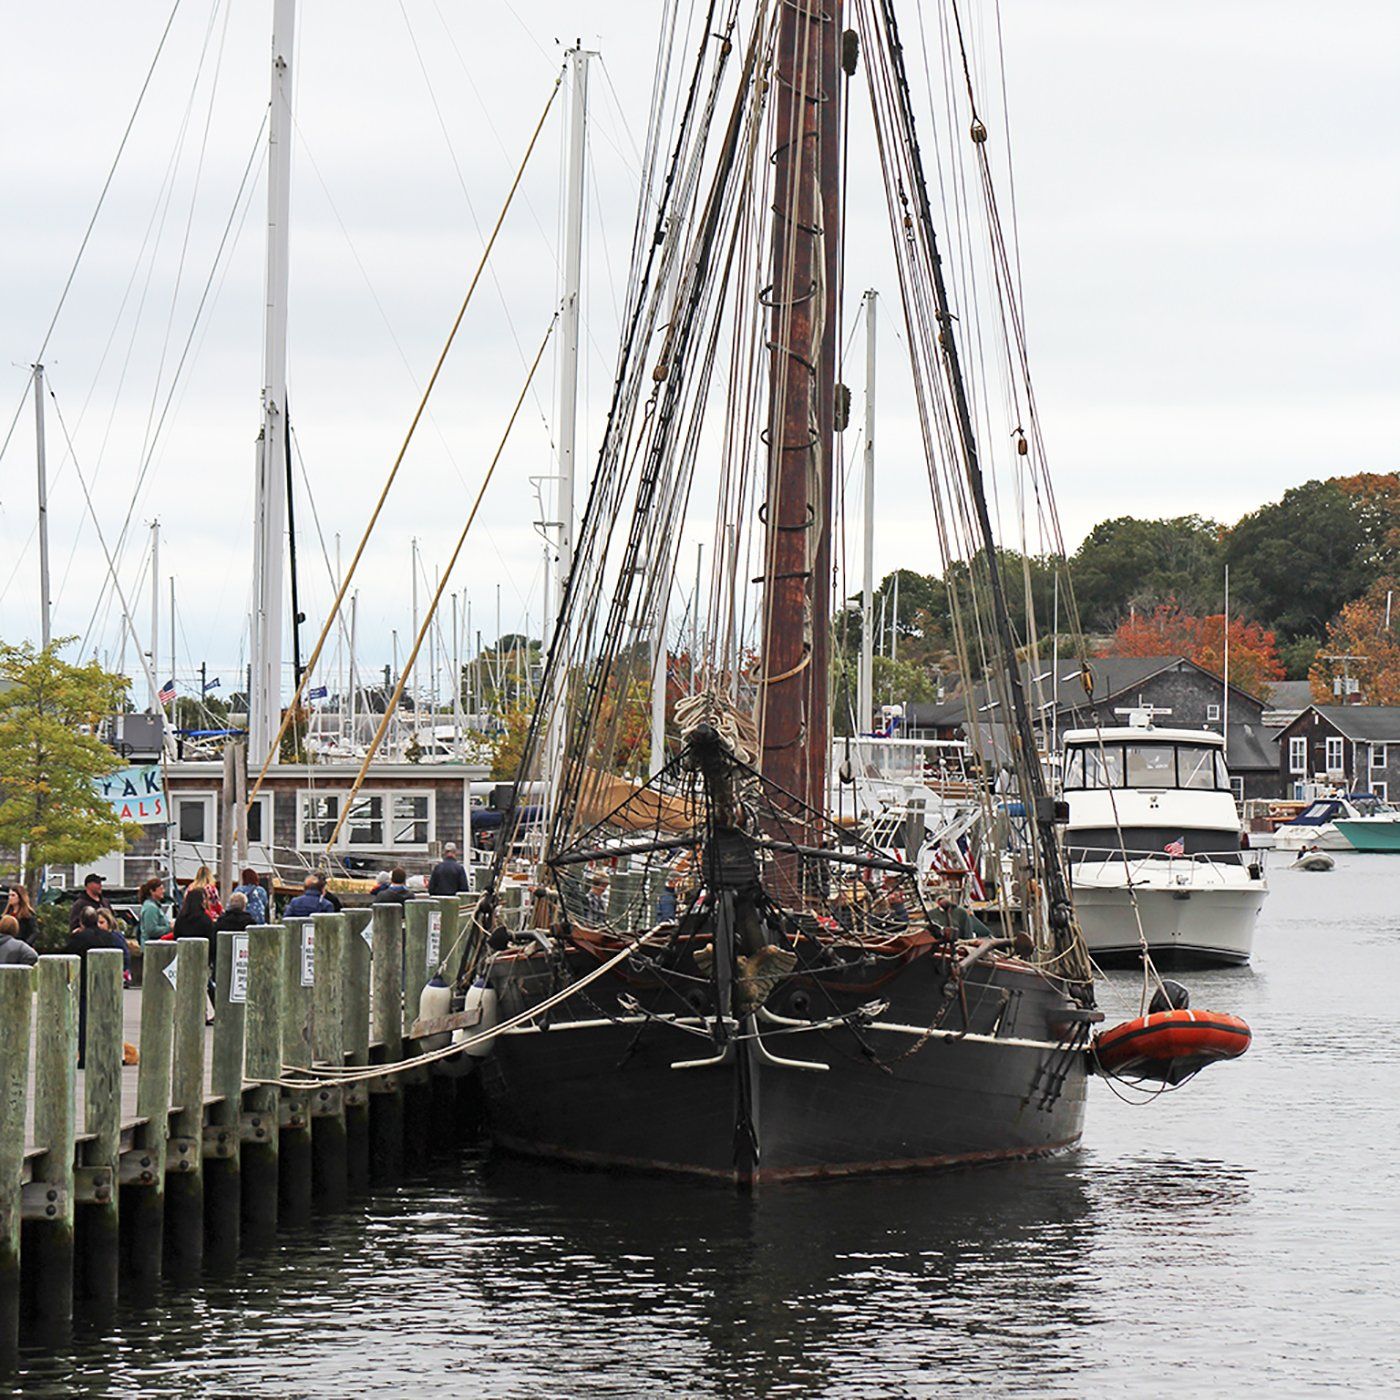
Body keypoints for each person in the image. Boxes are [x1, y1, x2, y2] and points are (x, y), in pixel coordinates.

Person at [65, 908, 112, 1065]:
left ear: (81, 922)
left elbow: (66, 955)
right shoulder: (108, 937)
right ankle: (104, 1054)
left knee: (84, 1019)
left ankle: (84, 1055)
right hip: (105, 983)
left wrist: (73, 936)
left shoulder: (78, 938)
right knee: (105, 1018)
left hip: (84, 983)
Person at [137, 877, 171, 944]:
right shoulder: (150, 907)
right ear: (152, 891)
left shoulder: (154, 905)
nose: (163, 891)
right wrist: (169, 928)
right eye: (161, 889)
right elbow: (151, 930)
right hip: (151, 947)